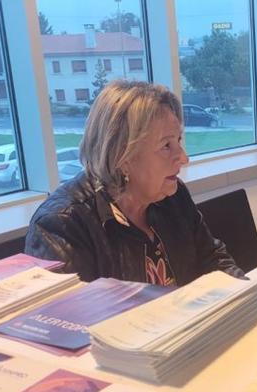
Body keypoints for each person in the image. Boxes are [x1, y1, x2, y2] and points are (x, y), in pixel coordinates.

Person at [25, 80, 244, 285]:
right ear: (123, 157)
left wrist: (245, 296)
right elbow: (73, 312)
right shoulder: (62, 225)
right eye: (166, 146)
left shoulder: (172, 196)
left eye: (178, 140)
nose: (184, 158)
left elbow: (213, 259)